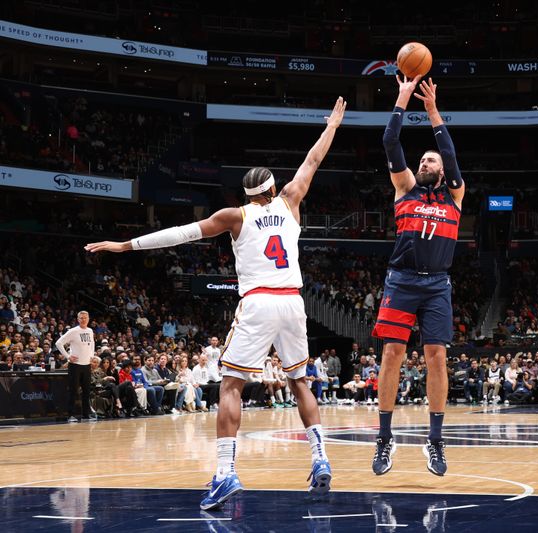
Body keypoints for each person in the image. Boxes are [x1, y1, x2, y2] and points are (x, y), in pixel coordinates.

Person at [85, 96, 347, 510]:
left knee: (231, 385)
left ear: (246, 194)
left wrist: (125, 245)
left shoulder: (235, 216)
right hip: (295, 303)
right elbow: (312, 160)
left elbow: (182, 233)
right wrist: (332, 126)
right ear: (274, 189)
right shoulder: (292, 200)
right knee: (300, 383)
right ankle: (320, 459)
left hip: (259, 301)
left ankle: (225, 473)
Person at [371, 75, 465, 477]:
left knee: (437, 358)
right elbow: (390, 143)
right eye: (423, 159)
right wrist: (403, 98)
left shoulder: (455, 194)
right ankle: (384, 438)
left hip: (436, 284)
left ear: (443, 172)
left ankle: (436, 441)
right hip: (401, 280)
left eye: (432, 160)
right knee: (391, 355)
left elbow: (450, 152)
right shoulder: (404, 187)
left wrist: (432, 111)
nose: (426, 162)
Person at [55, 310, 94, 422]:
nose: (83, 319)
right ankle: (70, 415)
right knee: (73, 391)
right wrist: (68, 356)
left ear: (88, 319)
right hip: (75, 365)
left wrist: (91, 355)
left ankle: (86, 415)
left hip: (87, 365)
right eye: (81, 318)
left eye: (85, 317)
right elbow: (58, 343)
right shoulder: (73, 331)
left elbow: (92, 344)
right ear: (78, 319)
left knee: (86, 391)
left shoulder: (90, 331)